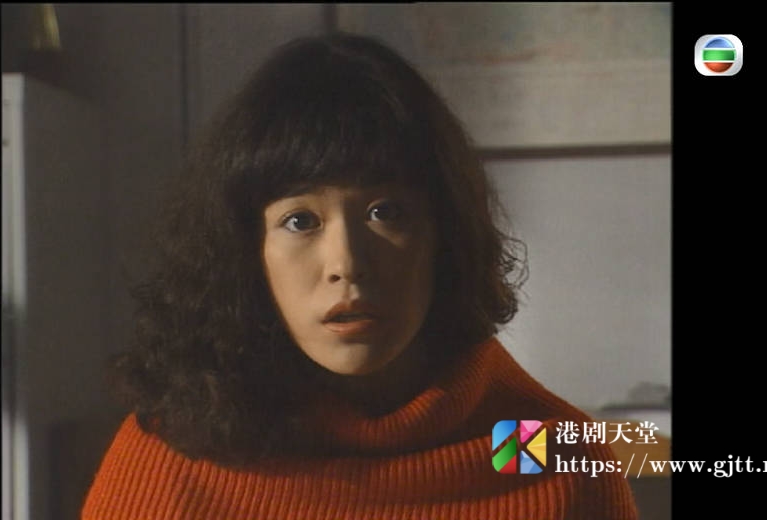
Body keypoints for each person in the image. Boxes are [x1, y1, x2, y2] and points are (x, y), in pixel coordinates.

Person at [82, 32, 638, 519]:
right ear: (245, 252)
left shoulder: (562, 461)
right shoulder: (172, 454)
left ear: (443, 235)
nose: (346, 264)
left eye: (384, 212)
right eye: (300, 221)